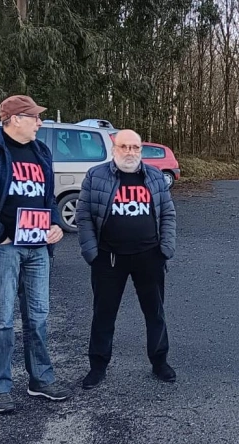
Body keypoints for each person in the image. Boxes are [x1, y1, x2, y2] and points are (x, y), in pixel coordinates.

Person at [0, 95, 68, 413]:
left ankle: (41, 380)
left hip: (38, 248)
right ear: (14, 119)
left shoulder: (41, 151)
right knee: (2, 319)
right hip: (6, 248)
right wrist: (0, 235)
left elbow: (47, 197)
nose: (39, 122)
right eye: (34, 117)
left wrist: (55, 225)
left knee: (38, 317)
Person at [76, 129, 177, 386]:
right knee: (103, 314)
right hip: (108, 259)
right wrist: (91, 253)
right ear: (114, 148)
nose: (130, 152)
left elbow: (168, 214)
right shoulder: (96, 176)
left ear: (141, 150)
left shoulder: (154, 177)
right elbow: (84, 215)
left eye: (135, 147)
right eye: (125, 147)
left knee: (155, 313)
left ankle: (159, 361)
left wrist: (165, 249)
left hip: (149, 257)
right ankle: (98, 366)